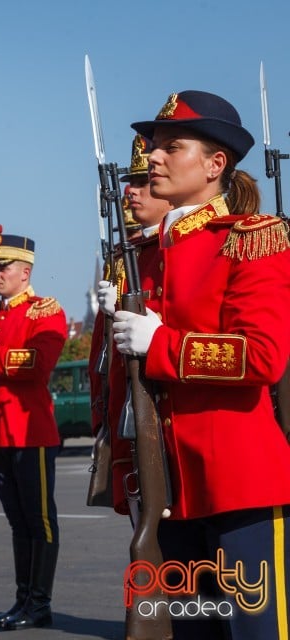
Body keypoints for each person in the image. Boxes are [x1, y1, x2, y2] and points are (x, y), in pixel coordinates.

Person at [113, 90, 290, 639]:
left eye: (172, 147)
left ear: (216, 164)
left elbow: (261, 355)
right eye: (154, 146)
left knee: (254, 630)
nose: (154, 157)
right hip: (167, 483)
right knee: (193, 630)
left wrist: (162, 343)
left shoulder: (251, 240)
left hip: (238, 483)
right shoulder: (144, 254)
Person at [0, 228, 67, 630]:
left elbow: (37, 365)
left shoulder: (45, 311)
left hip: (30, 433)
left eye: (3, 267)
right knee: (18, 522)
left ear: (25, 272)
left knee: (40, 520)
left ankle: (39, 603)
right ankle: (24, 600)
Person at [94, 134, 173, 518]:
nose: (131, 190)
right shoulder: (129, 257)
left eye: (143, 182)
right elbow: (103, 359)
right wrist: (104, 422)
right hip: (130, 423)